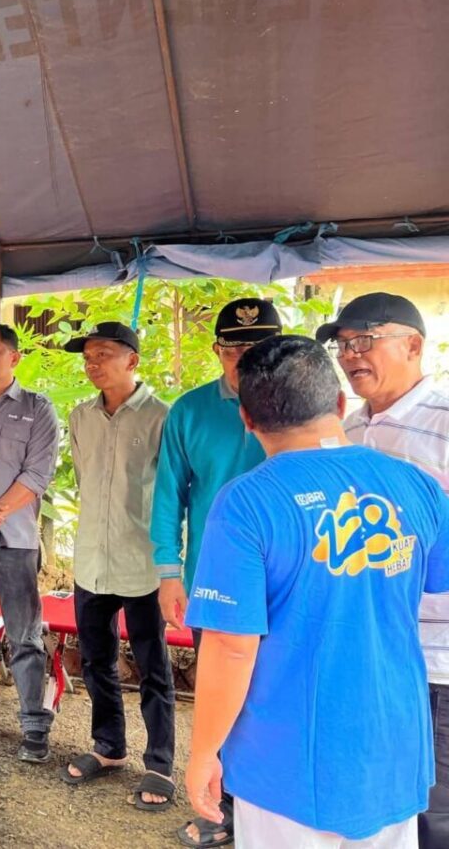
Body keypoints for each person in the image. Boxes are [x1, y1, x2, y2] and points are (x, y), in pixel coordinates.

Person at [186, 334, 449, 847]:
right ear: (339, 403)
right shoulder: (416, 484)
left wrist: (202, 753)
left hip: (287, 759)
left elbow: (231, 646)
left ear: (247, 420)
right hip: (393, 745)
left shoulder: (246, 502)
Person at [316, 292, 449, 848]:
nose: (350, 356)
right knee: (382, 804)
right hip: (369, 652)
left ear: (414, 344)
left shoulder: (444, 422)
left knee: (435, 811)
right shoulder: (346, 431)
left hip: (437, 661)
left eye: (365, 340)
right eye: (343, 346)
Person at [151, 296, 281, 847]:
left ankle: (271, 806)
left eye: (256, 347)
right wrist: (168, 570)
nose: (243, 357)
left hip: (288, 578)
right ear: (216, 350)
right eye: (233, 347)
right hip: (216, 580)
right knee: (222, 692)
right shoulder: (190, 410)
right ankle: (222, 807)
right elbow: (168, 496)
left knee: (277, 691)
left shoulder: (296, 406)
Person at [60, 322, 175, 811]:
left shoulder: (161, 417)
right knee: (95, 659)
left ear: (132, 360)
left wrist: (174, 564)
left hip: (142, 561)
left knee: (152, 664)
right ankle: (108, 747)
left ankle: (160, 763)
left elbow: (172, 494)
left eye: (103, 354)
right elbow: (87, 482)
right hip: (91, 559)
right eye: (87, 356)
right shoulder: (80, 416)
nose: (92, 364)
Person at [0, 322, 57, 762]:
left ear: (14, 357)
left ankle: (34, 726)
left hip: (16, 540)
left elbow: (37, 475)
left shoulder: (39, 409)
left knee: (24, 634)